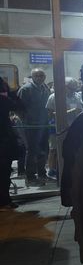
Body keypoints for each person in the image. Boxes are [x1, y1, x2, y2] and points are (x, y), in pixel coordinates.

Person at [17, 69, 51, 186]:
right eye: (37, 75)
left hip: (44, 124)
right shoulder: (25, 89)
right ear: (32, 77)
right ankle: (30, 176)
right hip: (30, 126)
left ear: (45, 76)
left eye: (42, 75)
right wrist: (26, 122)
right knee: (31, 151)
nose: (39, 77)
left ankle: (42, 173)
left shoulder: (45, 88)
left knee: (44, 150)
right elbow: (19, 108)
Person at [44, 77, 83, 179]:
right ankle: (51, 170)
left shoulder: (77, 96)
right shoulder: (54, 97)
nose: (73, 91)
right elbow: (50, 114)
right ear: (64, 87)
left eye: (75, 88)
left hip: (73, 126)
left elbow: (80, 109)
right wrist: (70, 111)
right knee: (54, 149)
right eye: (71, 88)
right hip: (57, 125)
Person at [1, 78, 23, 209]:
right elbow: (19, 105)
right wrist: (12, 93)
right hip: (3, 140)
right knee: (3, 172)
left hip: (4, 139)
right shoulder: (4, 101)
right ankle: (4, 200)